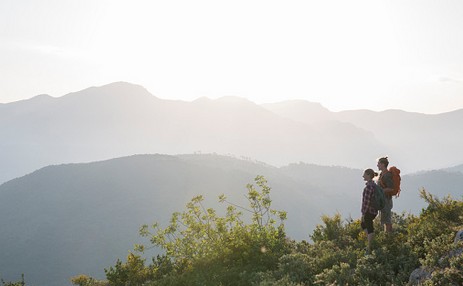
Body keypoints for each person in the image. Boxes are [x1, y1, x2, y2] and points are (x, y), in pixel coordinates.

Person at [361, 168, 378, 253]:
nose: (363, 176)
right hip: (374, 211)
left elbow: (366, 202)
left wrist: (363, 213)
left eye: (364, 174)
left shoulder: (368, 187)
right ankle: (370, 242)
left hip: (369, 211)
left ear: (368, 175)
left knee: (369, 227)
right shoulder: (374, 185)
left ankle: (370, 247)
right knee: (364, 225)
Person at [377, 157, 394, 232]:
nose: (377, 165)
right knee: (384, 220)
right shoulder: (382, 174)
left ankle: (388, 238)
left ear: (383, 164)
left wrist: (381, 191)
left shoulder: (387, 175)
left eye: (379, 163)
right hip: (383, 201)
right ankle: (387, 237)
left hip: (386, 200)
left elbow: (391, 188)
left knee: (387, 221)